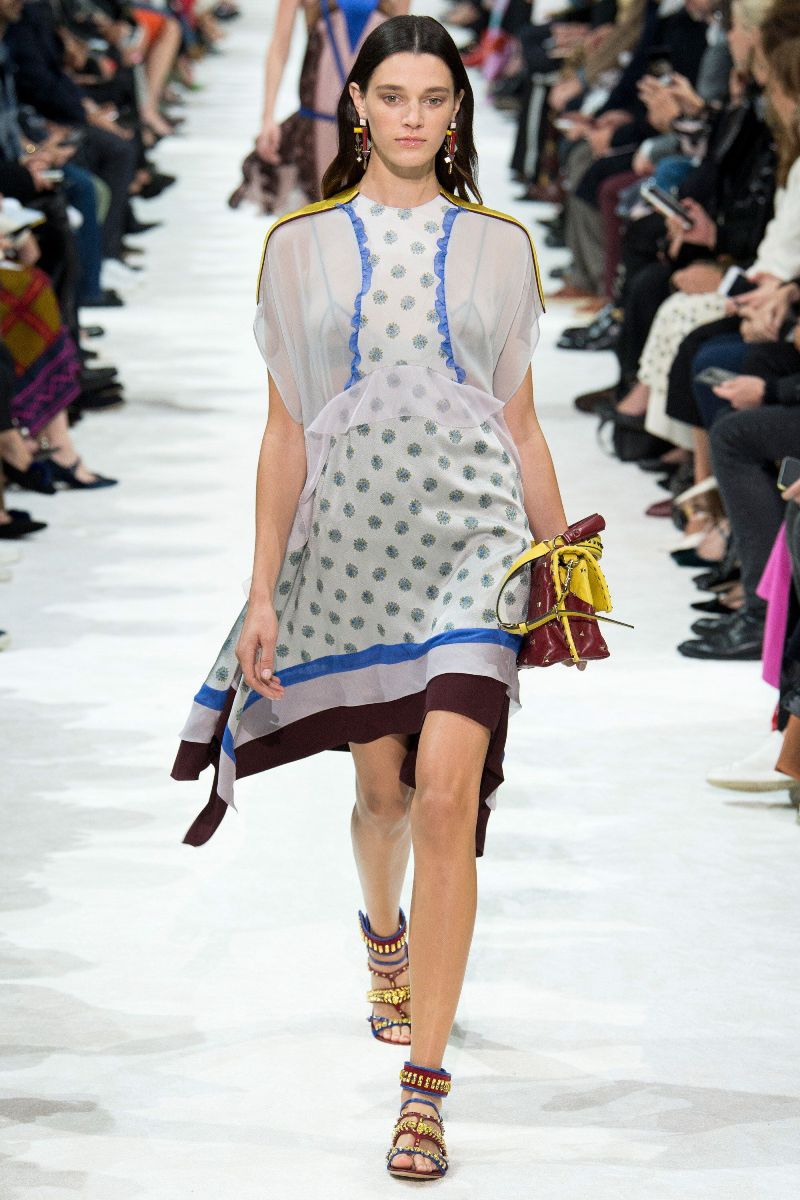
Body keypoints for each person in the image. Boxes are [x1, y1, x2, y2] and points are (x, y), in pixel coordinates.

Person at [174, 12, 570, 1181]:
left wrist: (557, 564)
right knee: (383, 794)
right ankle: (383, 936)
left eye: (432, 99)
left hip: (474, 543)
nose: (411, 117)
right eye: (391, 96)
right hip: (350, 549)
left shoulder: (498, 245)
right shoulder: (297, 244)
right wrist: (261, 592)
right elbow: (284, 432)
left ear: (456, 112)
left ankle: (423, 1093)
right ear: (355, 104)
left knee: (445, 798)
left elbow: (520, 423)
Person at [228, 0, 406, 214]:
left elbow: (403, 54)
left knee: (368, 213)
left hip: (374, 120)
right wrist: (268, 117)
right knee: (324, 210)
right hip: (321, 121)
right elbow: (279, 47)